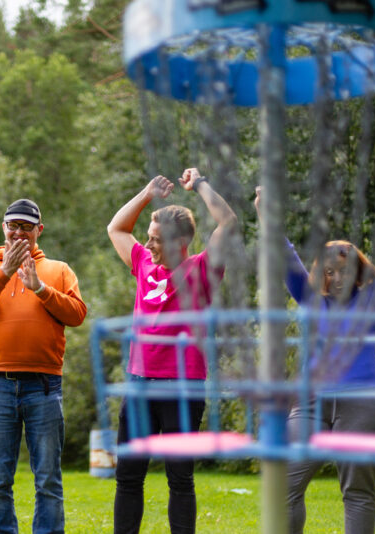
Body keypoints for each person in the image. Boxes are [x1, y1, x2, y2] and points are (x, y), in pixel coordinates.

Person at [255, 182, 375, 534]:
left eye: (345, 270)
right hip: (310, 402)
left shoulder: (374, 299)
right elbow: (284, 252)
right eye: (330, 272)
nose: (336, 278)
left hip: (363, 403)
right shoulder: (309, 297)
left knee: (357, 491)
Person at [107, 169, 238, 534]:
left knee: (179, 479)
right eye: (147, 239)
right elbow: (116, 229)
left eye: (156, 240)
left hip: (182, 387)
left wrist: (200, 184)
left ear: (181, 243)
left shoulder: (202, 270)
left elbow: (228, 221)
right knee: (128, 477)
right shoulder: (144, 265)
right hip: (138, 384)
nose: (147, 245)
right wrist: (147, 194)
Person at [0, 198, 87, 534]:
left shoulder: (58, 270)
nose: (18, 233)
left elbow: (77, 315)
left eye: (26, 227)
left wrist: (41, 289)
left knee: (48, 478)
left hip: (44, 387)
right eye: (12, 226)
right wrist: (4, 273)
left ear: (38, 231)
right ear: (3, 228)